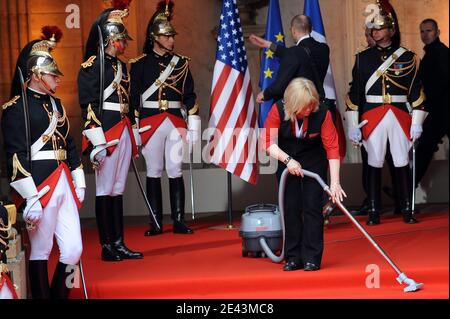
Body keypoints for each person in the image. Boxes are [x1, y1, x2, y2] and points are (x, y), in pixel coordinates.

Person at [1, 30, 85, 299]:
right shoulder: (15, 109)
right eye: (52, 74)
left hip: (64, 182)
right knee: (40, 251)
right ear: (36, 75)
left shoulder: (57, 105)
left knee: (74, 250)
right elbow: (16, 156)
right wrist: (31, 197)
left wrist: (79, 178)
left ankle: (61, 294)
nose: (58, 78)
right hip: (40, 186)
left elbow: (69, 144)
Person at [345, 0, 427, 225]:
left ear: (391, 30)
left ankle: (407, 208)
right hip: (372, 115)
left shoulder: (408, 57)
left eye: (380, 27)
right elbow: (355, 93)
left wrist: (417, 121)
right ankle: (373, 209)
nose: (376, 31)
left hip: (400, 114)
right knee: (374, 162)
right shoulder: (363, 58)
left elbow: (416, 91)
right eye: (373, 28)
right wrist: (353, 124)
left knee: (402, 162)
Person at [77, 1, 143, 261]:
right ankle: (106, 245)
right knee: (105, 189)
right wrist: (97, 141)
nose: (124, 45)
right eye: (121, 40)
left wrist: (134, 129)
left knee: (117, 188)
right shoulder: (93, 67)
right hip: (107, 133)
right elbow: (89, 106)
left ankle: (118, 242)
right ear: (110, 40)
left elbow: (127, 101)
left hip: (123, 129)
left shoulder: (120, 66)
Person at [129, 0, 200, 236]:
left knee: (175, 169)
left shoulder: (181, 63)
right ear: (155, 38)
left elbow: (189, 95)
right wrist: (135, 129)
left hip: (175, 121)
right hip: (150, 121)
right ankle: (156, 222)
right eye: (167, 36)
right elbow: (134, 99)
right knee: (154, 170)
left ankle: (178, 220)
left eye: (172, 36)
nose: (171, 40)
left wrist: (193, 122)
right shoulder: (139, 65)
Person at [262, 78, 346, 271]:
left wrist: (335, 183)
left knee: (312, 207)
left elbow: (332, 148)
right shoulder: (277, 109)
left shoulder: (322, 112)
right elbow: (266, 142)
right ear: (292, 105)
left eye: (311, 106)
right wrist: (287, 160)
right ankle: (293, 256)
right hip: (286, 158)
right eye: (304, 107)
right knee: (291, 207)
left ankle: (312, 258)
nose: (309, 111)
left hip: (313, 159)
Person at [415, 19, 449, 187]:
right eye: (422, 31)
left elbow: (442, 83)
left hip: (441, 112)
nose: (425, 34)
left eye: (429, 31)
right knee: (423, 151)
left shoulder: (441, 53)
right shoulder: (431, 53)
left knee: (424, 151)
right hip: (437, 112)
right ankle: (405, 192)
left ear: (437, 32)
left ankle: (405, 192)